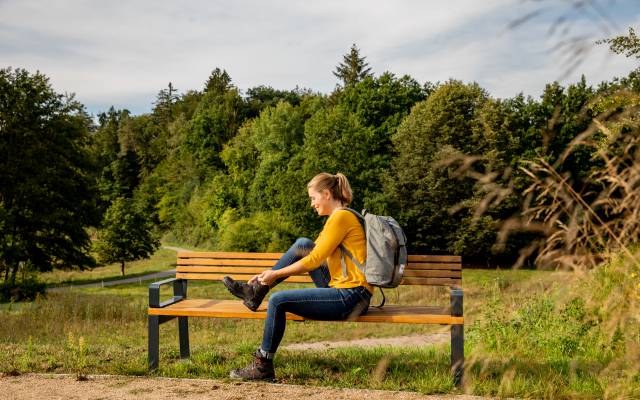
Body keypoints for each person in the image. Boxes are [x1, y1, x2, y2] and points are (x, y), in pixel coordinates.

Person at [223, 172, 372, 380]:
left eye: (313, 198)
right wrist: (264, 276)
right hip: (346, 290)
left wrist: (275, 274)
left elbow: (313, 261)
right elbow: (311, 253)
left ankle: (263, 365)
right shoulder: (338, 217)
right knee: (303, 244)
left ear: (327, 194)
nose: (312, 204)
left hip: (352, 296)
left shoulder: (341, 218)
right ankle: (255, 292)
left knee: (277, 301)